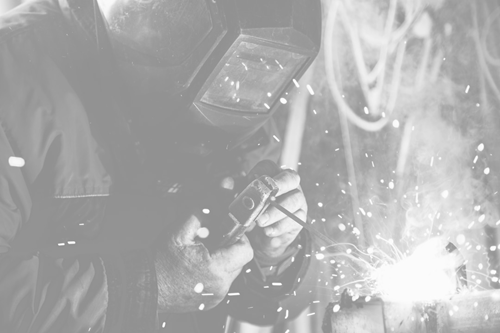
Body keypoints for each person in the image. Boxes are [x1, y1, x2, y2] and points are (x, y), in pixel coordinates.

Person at [0, 0, 322, 332]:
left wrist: (275, 257)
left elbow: (271, 310)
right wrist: (149, 288)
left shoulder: (239, 90)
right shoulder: (11, 80)